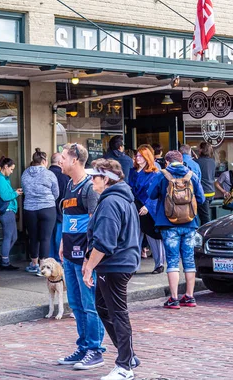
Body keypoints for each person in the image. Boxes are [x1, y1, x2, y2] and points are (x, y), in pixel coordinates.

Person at [83, 158, 141, 380]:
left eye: (94, 176)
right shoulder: (119, 199)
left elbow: (105, 242)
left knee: (117, 313)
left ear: (106, 179)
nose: (91, 180)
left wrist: (89, 266)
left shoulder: (110, 202)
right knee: (104, 308)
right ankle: (129, 356)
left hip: (116, 264)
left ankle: (125, 366)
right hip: (119, 262)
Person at [57, 143, 105, 371]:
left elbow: (94, 223)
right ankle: (84, 347)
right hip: (68, 253)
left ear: (74, 160)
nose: (60, 160)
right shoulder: (68, 184)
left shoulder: (89, 188)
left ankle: (96, 350)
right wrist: (61, 242)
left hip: (84, 256)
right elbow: (68, 215)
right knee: (76, 304)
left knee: (89, 304)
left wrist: (89, 258)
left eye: (64, 157)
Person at [146, 150, 205, 309]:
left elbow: (151, 195)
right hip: (189, 223)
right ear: (181, 160)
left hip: (168, 223)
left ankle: (173, 298)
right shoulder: (191, 175)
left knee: (172, 260)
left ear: (167, 161)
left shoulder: (162, 174)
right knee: (188, 259)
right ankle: (190, 296)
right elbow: (201, 198)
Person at [127, 145, 165, 275]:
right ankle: (134, 266)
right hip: (134, 205)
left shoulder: (154, 173)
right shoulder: (132, 172)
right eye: (137, 155)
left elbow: (155, 192)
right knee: (135, 237)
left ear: (146, 157)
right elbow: (129, 189)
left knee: (153, 237)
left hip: (148, 208)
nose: (137, 158)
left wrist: (148, 206)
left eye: (140, 156)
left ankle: (159, 264)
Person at [21, 148, 59, 274]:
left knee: (33, 237)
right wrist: (47, 200)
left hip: (30, 209)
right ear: (43, 161)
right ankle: (43, 267)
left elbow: (25, 191)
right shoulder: (49, 174)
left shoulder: (25, 173)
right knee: (45, 238)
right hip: (47, 208)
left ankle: (34, 264)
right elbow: (56, 192)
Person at [0, 156, 23, 271]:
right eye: (11, 169)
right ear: (5, 167)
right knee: (9, 237)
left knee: (13, 236)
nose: (12, 171)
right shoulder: (0, 179)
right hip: (6, 211)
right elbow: (5, 196)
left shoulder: (1, 178)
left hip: (7, 211)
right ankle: (4, 262)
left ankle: (3, 259)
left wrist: (14, 192)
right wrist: (16, 194)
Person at [49, 152, 70, 262]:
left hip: (46, 211)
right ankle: (58, 261)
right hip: (60, 212)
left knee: (48, 239)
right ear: (59, 162)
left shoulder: (46, 174)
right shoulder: (64, 177)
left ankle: (49, 262)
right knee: (58, 238)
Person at [195, 142, 216, 225]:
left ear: (201, 150)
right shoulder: (212, 161)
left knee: (205, 219)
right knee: (204, 216)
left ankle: (206, 236)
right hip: (211, 192)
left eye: (198, 148)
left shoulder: (197, 162)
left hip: (203, 193)